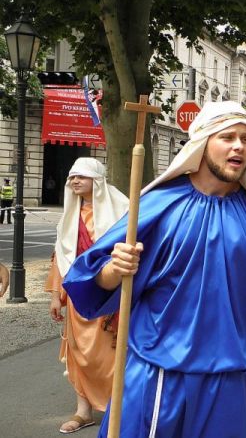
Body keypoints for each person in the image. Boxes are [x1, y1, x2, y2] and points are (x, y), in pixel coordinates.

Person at [62, 101, 246, 438]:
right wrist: (115, 269)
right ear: (202, 143)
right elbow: (94, 276)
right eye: (228, 137)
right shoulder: (159, 204)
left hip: (228, 381)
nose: (239, 146)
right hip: (158, 373)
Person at [45, 158, 129, 434]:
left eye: (81, 176)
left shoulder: (123, 211)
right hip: (77, 298)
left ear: (98, 181)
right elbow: (62, 256)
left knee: (112, 355)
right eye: (71, 177)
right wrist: (56, 295)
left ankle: (117, 408)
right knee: (79, 355)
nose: (74, 181)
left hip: (110, 297)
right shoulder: (70, 215)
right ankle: (83, 411)